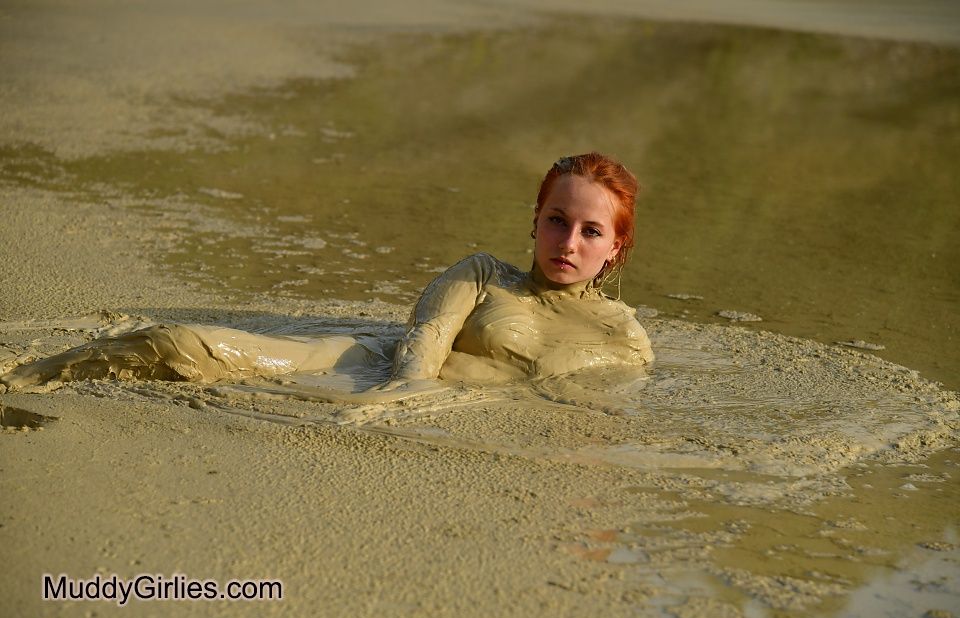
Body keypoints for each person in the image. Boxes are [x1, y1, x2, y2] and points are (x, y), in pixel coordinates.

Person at [0, 152, 654, 398]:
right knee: (179, 343)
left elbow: (593, 411)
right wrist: (395, 404)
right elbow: (421, 348)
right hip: (357, 370)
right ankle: (23, 376)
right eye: (555, 219)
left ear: (616, 250)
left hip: (439, 415)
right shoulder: (482, 274)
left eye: (590, 230)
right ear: (535, 219)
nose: (567, 241)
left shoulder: (625, 340)